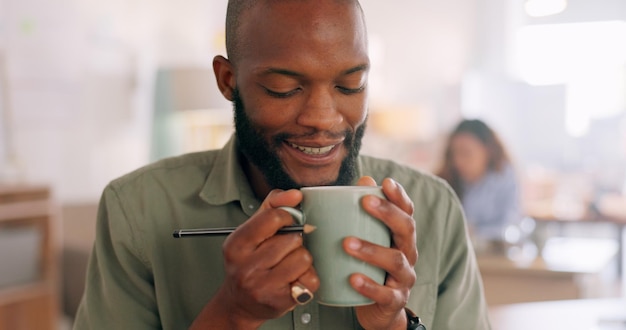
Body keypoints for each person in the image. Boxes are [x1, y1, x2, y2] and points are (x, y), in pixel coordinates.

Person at [73, 1, 491, 329]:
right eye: (284, 88)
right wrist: (231, 316)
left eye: (350, 85)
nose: (324, 119)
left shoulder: (434, 210)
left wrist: (394, 325)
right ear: (227, 80)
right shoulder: (137, 212)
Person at [437, 119, 522, 244]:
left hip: (494, 257)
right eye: (454, 153)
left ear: (488, 151)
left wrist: (475, 232)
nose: (458, 161)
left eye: (466, 153)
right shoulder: (443, 181)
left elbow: (511, 225)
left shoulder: (505, 178)